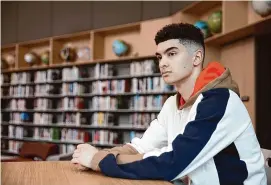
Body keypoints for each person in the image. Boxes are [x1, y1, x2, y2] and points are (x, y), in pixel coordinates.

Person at [71, 23, 267, 185]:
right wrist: (99, 156)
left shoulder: (219, 100)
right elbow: (141, 147)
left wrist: (99, 161)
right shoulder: (172, 104)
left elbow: (174, 162)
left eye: (171, 54)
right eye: (160, 56)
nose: (162, 63)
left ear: (196, 57)